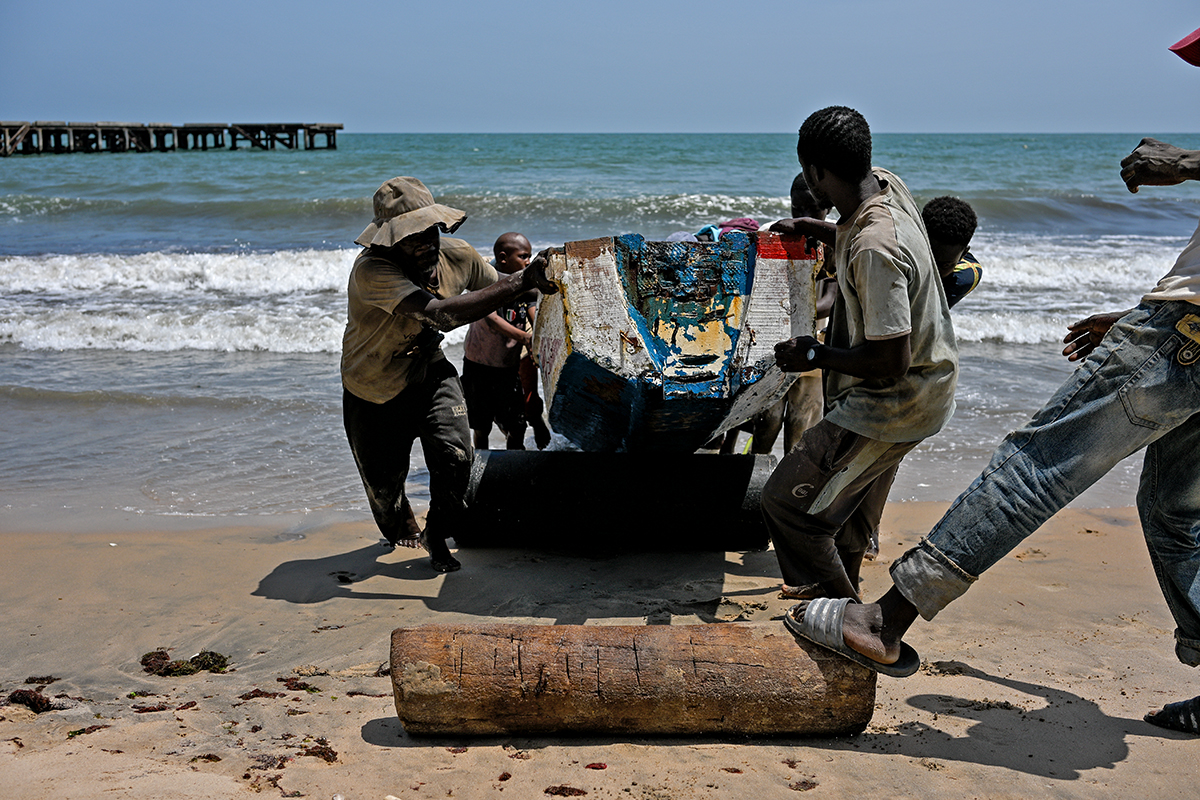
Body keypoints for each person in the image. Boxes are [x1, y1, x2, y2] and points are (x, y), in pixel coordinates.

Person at [783, 30, 1200, 732]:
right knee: (1174, 514)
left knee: (1030, 470)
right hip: (1185, 330)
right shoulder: (883, 212)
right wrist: (1141, 310)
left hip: (1180, 343)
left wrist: (1185, 161)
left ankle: (885, 619)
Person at [762, 106, 959, 604]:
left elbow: (890, 360)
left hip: (897, 398)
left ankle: (848, 621)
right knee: (840, 514)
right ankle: (840, 610)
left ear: (814, 172)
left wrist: (816, 354)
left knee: (787, 506)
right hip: (932, 383)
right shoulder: (886, 187)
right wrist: (820, 228)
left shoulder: (874, 247)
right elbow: (861, 230)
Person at [341, 178, 557, 573]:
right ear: (388, 241)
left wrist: (552, 287)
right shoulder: (372, 271)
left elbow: (508, 292)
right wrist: (522, 280)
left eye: (429, 231)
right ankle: (402, 516)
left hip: (429, 370)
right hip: (373, 383)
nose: (425, 243)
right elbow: (442, 313)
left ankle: (438, 532)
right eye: (410, 237)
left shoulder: (458, 256)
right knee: (384, 490)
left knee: (458, 456)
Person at [462, 232, 538, 451]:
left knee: (517, 426)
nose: (528, 262)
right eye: (523, 256)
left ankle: (512, 466)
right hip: (479, 367)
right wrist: (525, 338)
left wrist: (541, 337)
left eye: (529, 256)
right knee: (481, 427)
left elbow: (533, 313)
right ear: (504, 258)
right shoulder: (486, 280)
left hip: (507, 367)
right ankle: (483, 469)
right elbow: (492, 319)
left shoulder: (526, 284)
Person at [922, 195, 983, 309]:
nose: (934, 270)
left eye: (944, 265)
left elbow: (924, 315)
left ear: (963, 254)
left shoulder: (965, 276)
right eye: (929, 259)